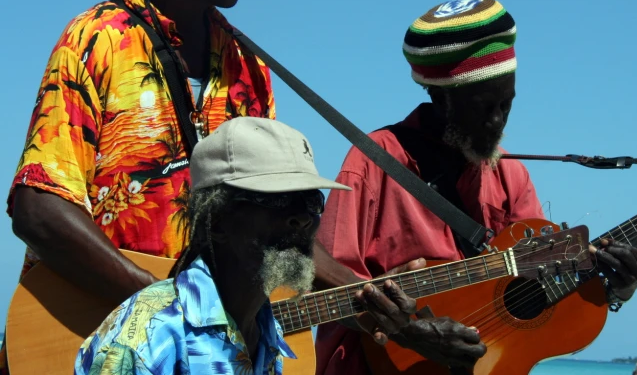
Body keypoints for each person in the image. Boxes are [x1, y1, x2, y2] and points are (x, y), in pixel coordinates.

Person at [4, 0, 291, 372]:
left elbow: (275, 221)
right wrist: (172, 309)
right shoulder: (97, 39)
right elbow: (39, 209)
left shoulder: (251, 71)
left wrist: (368, 298)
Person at [313, 0, 637, 373]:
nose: (496, 121)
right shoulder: (373, 161)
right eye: (483, 107)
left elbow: (537, 297)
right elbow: (322, 286)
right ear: (440, 98)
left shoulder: (512, 177)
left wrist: (613, 286)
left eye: (506, 105)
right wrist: (406, 331)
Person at [74, 117, 418, 375]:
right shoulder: (149, 338)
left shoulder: (265, 331)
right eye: (278, 202)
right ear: (218, 221)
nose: (302, 218)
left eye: (311, 201)